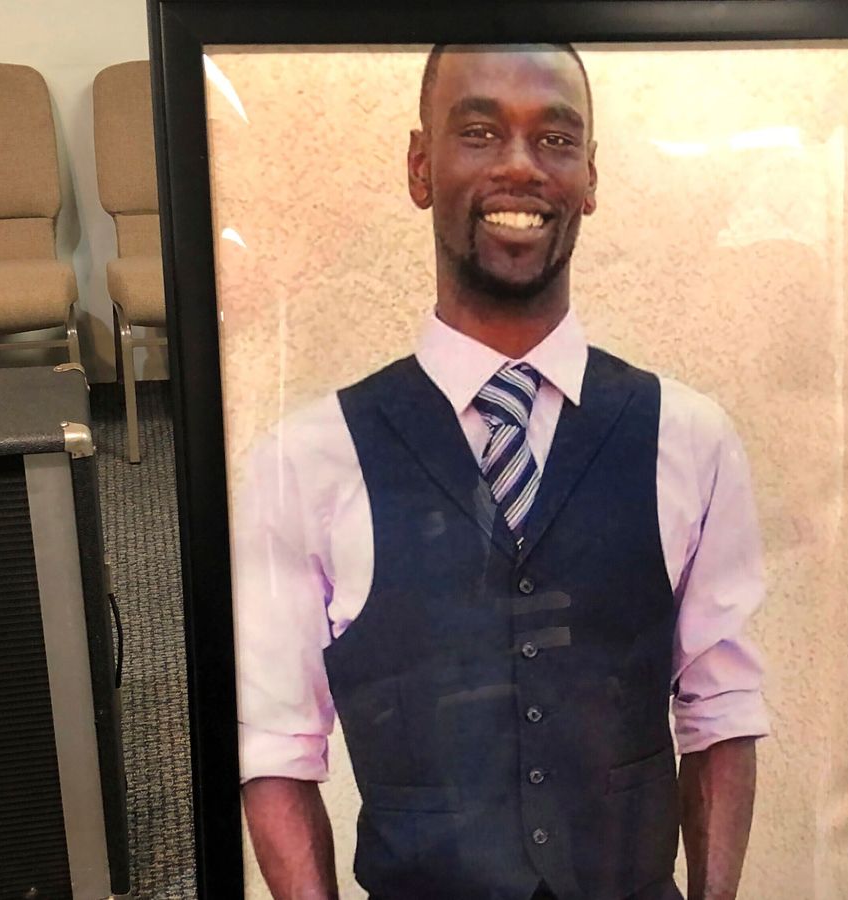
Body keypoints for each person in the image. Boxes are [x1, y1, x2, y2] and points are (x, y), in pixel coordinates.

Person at [234, 43, 768, 900]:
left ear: (590, 178)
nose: (521, 166)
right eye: (479, 132)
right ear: (421, 167)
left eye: (556, 140)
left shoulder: (694, 440)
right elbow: (276, 747)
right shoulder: (303, 461)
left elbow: (721, 713)